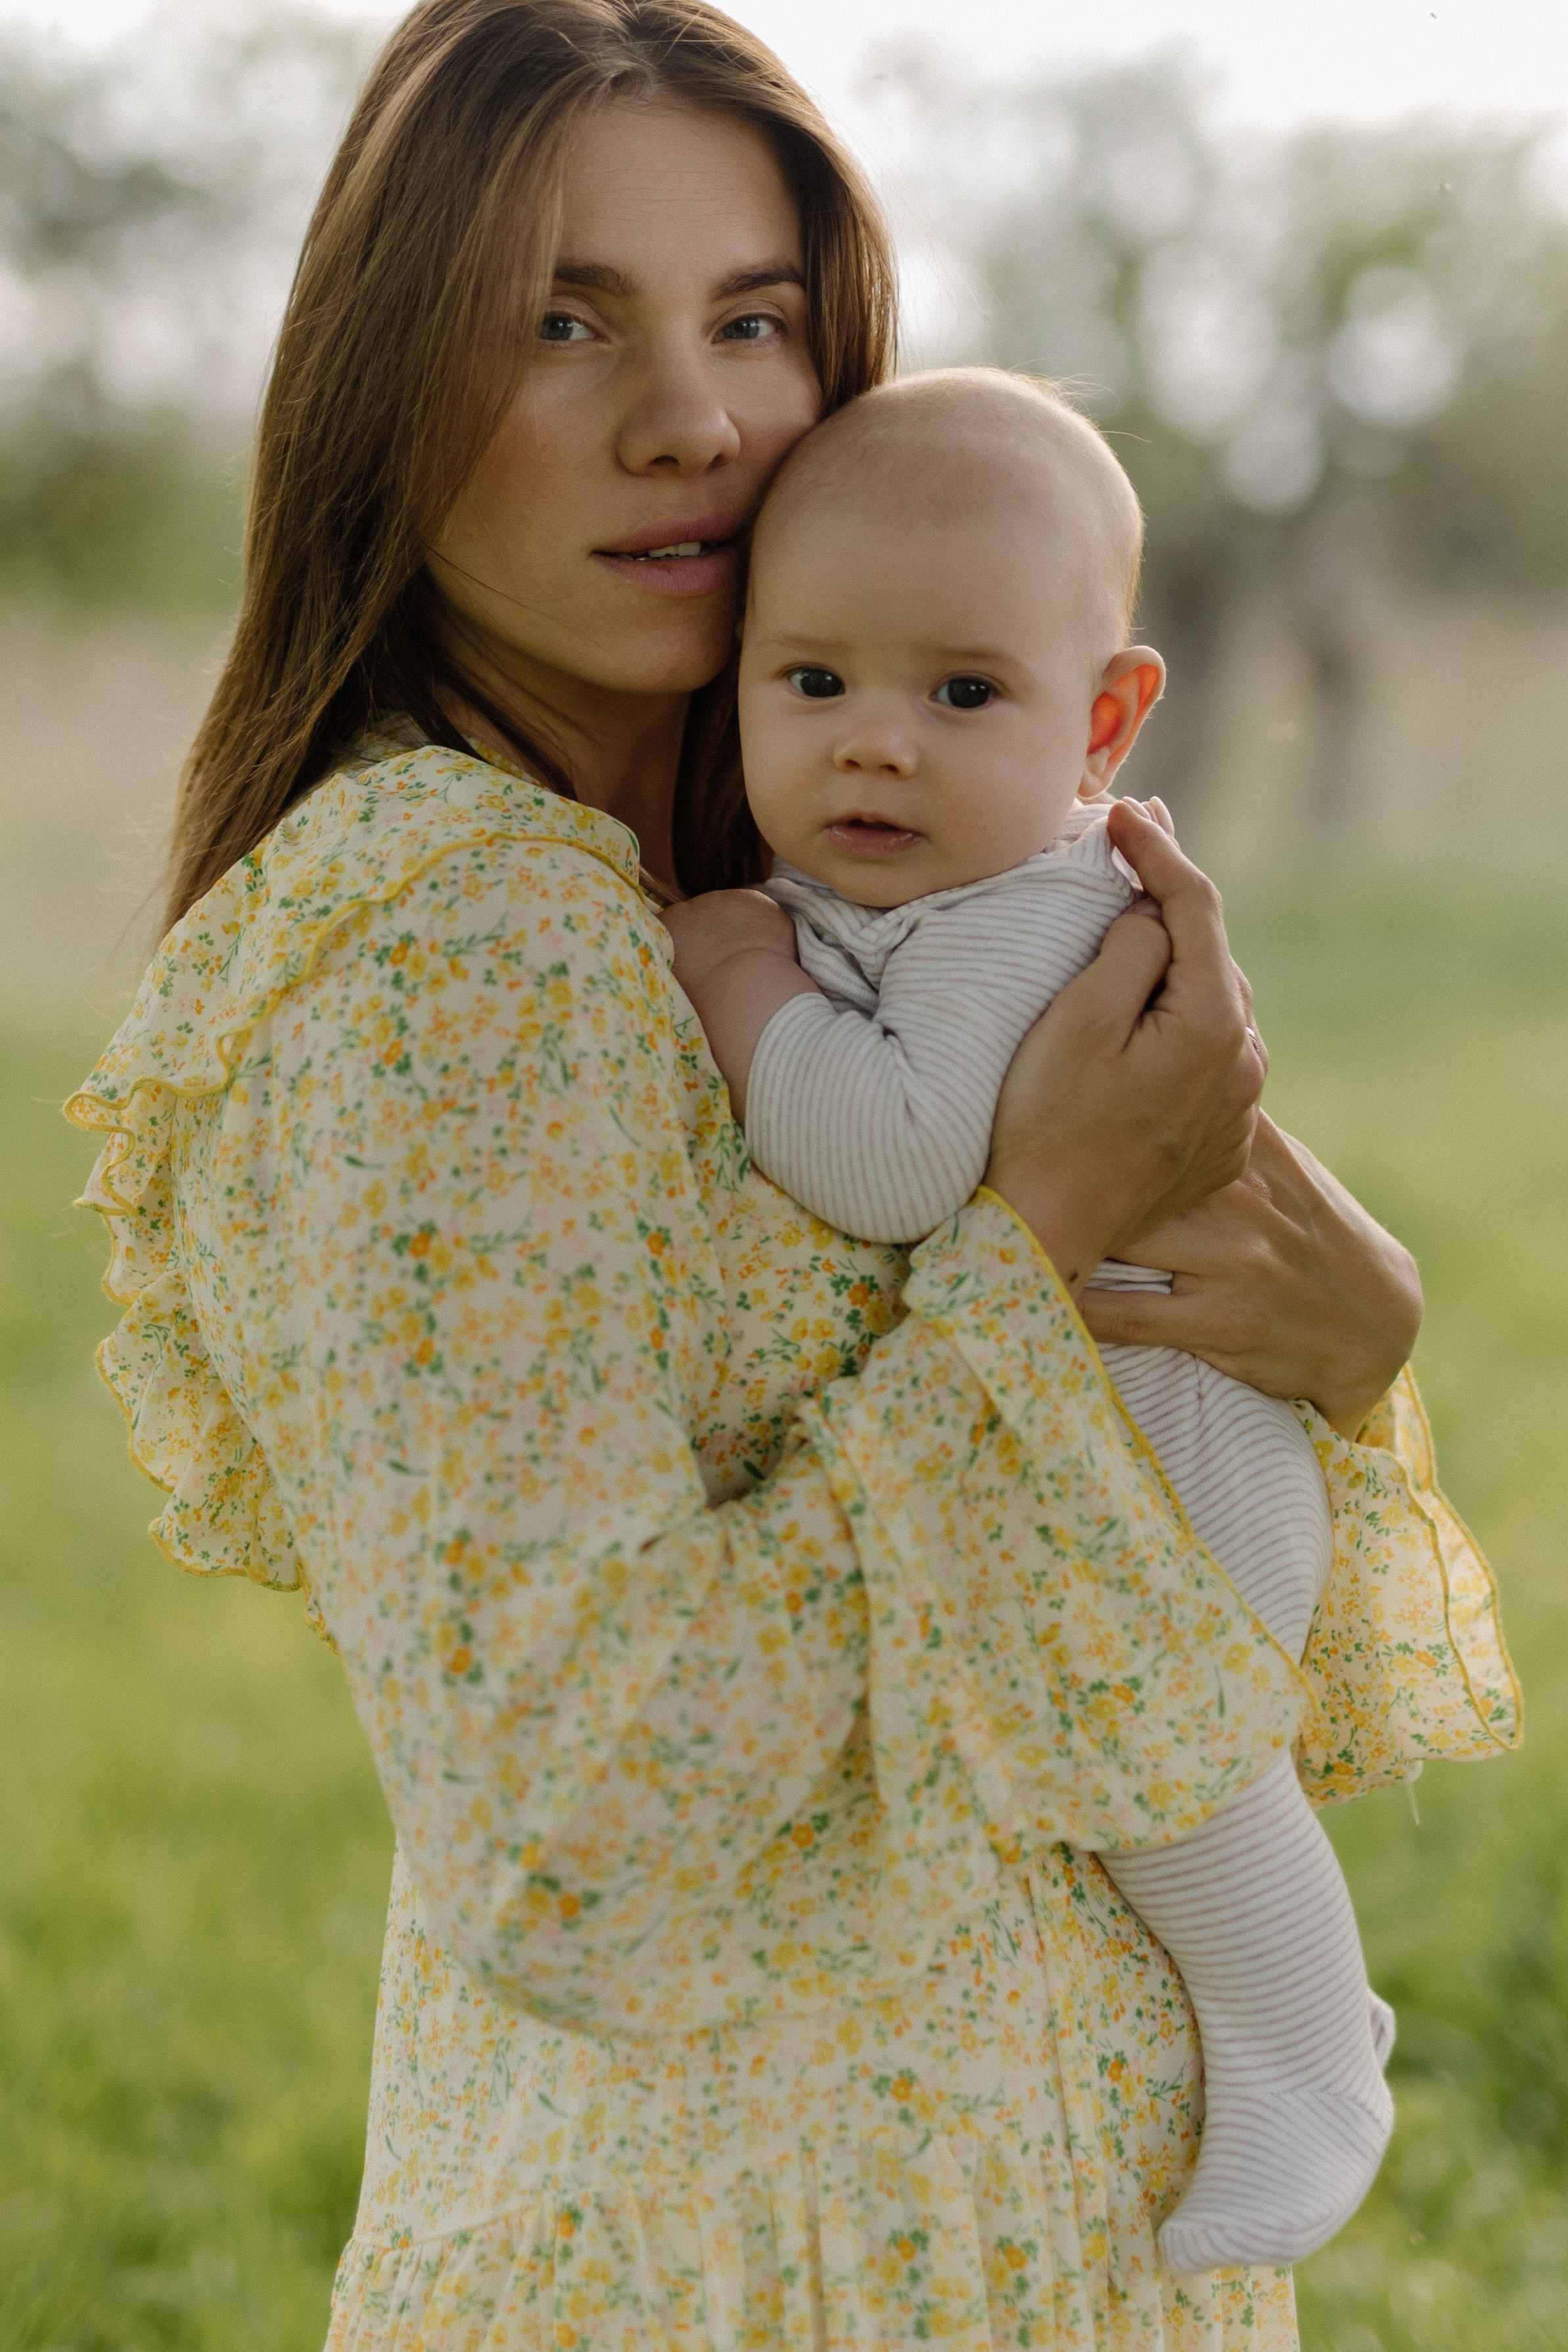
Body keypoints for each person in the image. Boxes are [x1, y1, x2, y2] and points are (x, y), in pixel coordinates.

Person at [64, 5, 1518, 2347]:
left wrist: (1331, 1342)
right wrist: (1037, 1243)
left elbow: (1131, 1614)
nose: (697, 417)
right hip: (751, 2274)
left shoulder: (825, 881)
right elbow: (575, 1820)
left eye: (754, 317)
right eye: (563, 320)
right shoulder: (458, 941)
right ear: (384, 380)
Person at [665, 365, 1402, 2274]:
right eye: (810, 683)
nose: (874, 748)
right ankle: (1284, 2030)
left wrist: (742, 973)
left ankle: (1313, 2049)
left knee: (1165, 1755)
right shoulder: (931, 881)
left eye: (960, 693)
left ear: (1103, 721)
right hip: (1107, 1419)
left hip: (1184, 1435)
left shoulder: (1029, 911)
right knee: (1136, 1739)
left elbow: (903, 1162)